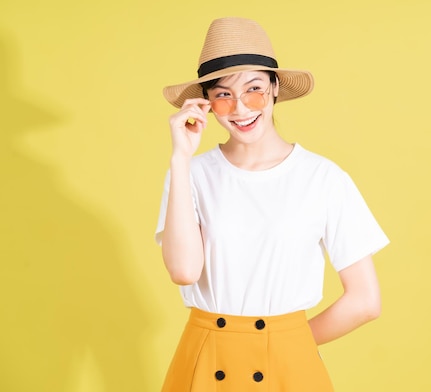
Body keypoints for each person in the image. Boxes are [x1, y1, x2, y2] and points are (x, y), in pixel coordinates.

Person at [155, 17, 389, 391]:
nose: (240, 108)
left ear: (275, 88)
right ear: (207, 104)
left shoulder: (323, 178)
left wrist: (283, 342)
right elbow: (184, 271)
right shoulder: (190, 173)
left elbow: (365, 301)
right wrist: (180, 158)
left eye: (254, 90)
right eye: (223, 95)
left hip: (287, 367)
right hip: (205, 360)